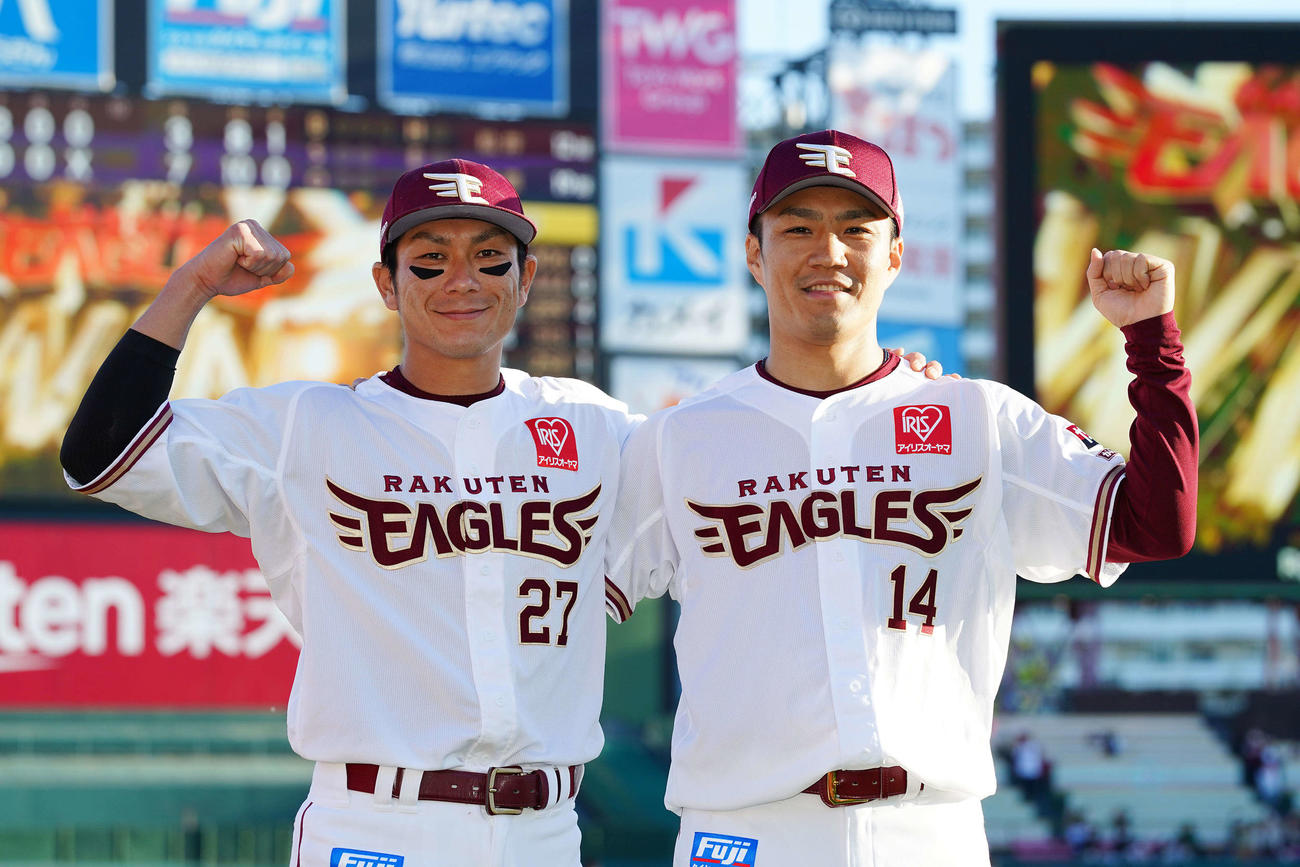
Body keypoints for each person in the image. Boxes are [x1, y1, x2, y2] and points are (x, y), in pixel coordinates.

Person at [603, 129, 1198, 866]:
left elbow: (1153, 526)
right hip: (747, 830)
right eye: (798, 228)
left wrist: (1152, 344)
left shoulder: (979, 419)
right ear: (754, 252)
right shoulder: (679, 439)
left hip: (928, 830)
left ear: (895, 253)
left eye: (856, 228)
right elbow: (556, 600)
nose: (829, 251)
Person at [60, 159, 643, 867]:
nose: (463, 279)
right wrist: (195, 286)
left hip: (545, 830)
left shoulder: (593, 427)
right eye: (430, 261)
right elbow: (98, 454)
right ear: (386, 285)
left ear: (526, 279)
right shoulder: (310, 425)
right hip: (378, 825)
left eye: (490, 258)